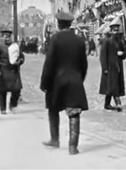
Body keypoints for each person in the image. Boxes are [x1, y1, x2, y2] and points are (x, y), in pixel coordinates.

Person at [40, 11, 88, 155]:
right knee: (74, 113)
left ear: (59, 24)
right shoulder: (79, 40)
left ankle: (55, 139)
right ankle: (73, 147)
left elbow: (49, 63)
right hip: (75, 80)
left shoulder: (55, 39)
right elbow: (84, 64)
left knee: (53, 110)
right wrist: (80, 78)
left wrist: (45, 83)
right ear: (70, 24)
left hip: (57, 81)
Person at [0, 29, 25, 115]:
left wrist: (20, 61)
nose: (7, 38)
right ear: (2, 37)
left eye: (8, 36)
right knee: (3, 91)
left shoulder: (15, 46)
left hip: (14, 70)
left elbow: (21, 56)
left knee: (17, 89)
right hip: (3, 70)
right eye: (5, 36)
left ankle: (13, 104)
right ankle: (2, 108)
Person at [99, 22, 126, 112]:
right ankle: (118, 103)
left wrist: (122, 54)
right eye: (114, 30)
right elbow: (103, 56)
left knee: (111, 86)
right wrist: (104, 68)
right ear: (111, 31)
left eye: (117, 30)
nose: (116, 32)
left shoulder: (120, 42)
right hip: (110, 68)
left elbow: (124, 53)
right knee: (113, 85)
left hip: (118, 67)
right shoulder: (106, 41)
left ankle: (107, 104)